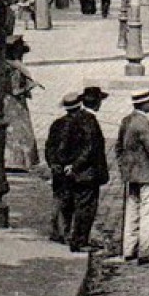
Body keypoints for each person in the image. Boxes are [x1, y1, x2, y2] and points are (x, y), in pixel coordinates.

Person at [45, 83, 110, 252]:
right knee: (85, 207)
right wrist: (74, 165)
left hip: (63, 172)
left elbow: (49, 148)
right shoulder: (88, 121)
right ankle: (80, 241)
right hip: (85, 173)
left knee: (64, 203)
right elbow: (89, 148)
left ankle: (62, 235)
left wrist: (55, 165)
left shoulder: (58, 123)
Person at [116, 89, 149, 264]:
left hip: (131, 174)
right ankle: (146, 250)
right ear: (144, 104)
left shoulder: (126, 120)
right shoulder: (143, 123)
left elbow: (118, 148)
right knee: (148, 211)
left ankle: (128, 249)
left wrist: (125, 168)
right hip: (147, 174)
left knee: (131, 210)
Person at [3, 37, 45, 175]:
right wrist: (31, 86)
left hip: (6, 102)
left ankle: (12, 160)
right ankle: (18, 162)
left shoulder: (5, 65)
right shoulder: (15, 68)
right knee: (20, 132)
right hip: (14, 105)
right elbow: (15, 90)